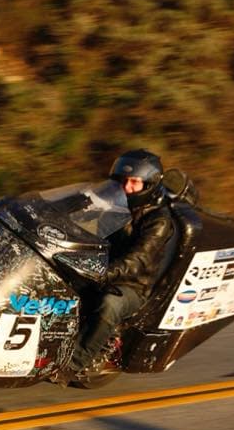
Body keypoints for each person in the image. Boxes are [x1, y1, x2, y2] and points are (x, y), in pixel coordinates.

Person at [69, 148, 175, 373]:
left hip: (132, 286)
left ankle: (76, 362)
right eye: (123, 181)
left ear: (149, 184)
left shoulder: (158, 220)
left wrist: (102, 273)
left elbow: (137, 260)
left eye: (134, 183)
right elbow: (80, 220)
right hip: (99, 269)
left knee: (109, 303)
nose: (127, 188)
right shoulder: (114, 205)